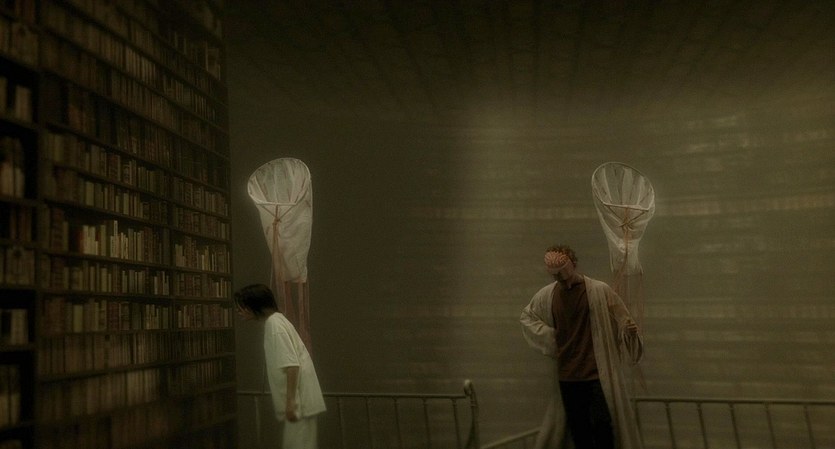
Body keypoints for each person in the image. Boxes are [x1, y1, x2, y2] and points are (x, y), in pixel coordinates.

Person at [520, 245, 643, 449]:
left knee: (603, 427)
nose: (563, 281)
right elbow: (527, 317)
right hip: (568, 376)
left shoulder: (599, 290)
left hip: (596, 375)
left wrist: (628, 331)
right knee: (580, 431)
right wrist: (550, 336)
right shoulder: (548, 295)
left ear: (574, 265)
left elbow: (623, 319)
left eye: (564, 275)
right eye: (557, 277)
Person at [235, 283, 326, 448]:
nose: (239, 311)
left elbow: (292, 365)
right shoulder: (277, 321)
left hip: (299, 404)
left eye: (242, 307)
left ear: (255, 306)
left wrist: (291, 403)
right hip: (300, 403)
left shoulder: (274, 325)